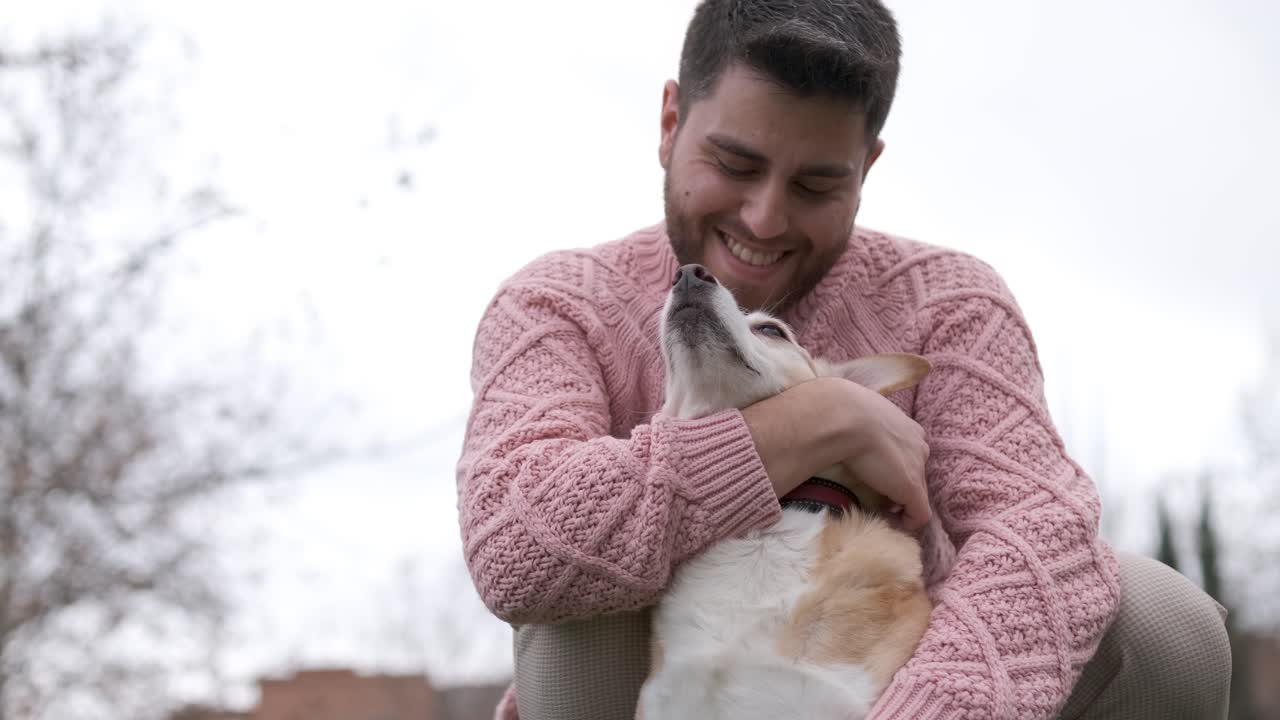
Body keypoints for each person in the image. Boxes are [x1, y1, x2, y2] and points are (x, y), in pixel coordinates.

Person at [455, 1, 1232, 718]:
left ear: (866, 170)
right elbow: (518, 545)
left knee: (1164, 621)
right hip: (639, 686)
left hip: (879, 682)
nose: (764, 218)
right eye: (734, 165)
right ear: (669, 123)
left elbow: (1040, 533)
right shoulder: (560, 302)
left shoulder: (951, 304)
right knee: (575, 596)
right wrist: (823, 417)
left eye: (816, 184)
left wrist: (931, 708)